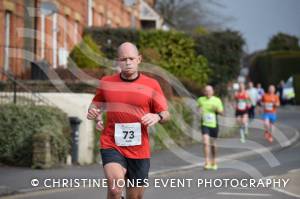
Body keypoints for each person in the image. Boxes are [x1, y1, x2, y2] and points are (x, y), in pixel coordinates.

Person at [87, 42, 170, 199]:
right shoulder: (107, 82)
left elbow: (166, 114)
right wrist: (95, 113)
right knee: (115, 188)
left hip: (139, 149)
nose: (128, 62)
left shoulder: (151, 84)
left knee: (135, 197)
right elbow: (96, 104)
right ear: (118, 61)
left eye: (131, 58)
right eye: (123, 59)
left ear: (139, 59)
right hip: (112, 143)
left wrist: (157, 116)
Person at [197, 85, 224, 170]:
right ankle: (207, 162)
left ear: (213, 92)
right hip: (204, 124)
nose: (208, 92)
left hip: (214, 125)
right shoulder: (200, 100)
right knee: (206, 142)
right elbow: (197, 110)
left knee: (213, 144)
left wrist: (216, 109)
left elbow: (222, 113)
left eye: (209, 90)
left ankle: (214, 161)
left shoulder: (217, 100)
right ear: (204, 92)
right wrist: (199, 110)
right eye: (206, 91)